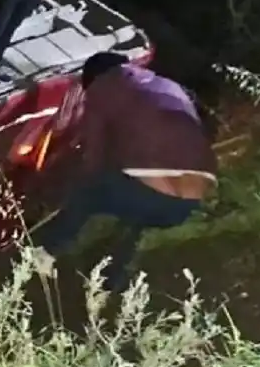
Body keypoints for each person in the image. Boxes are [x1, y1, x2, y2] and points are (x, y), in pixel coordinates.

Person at [37, 52, 217, 292]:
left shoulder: (102, 89)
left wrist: (69, 185)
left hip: (152, 193)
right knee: (137, 216)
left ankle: (45, 252)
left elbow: (93, 156)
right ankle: (112, 279)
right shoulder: (168, 85)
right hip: (188, 203)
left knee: (90, 192)